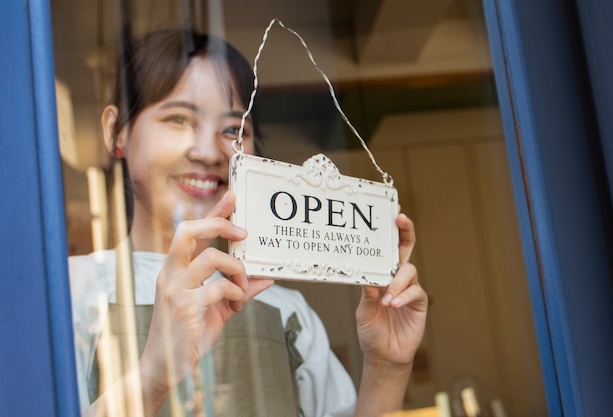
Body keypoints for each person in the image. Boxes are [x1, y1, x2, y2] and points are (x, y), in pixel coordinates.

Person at [68, 27, 428, 417]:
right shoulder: (68, 292)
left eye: (233, 130)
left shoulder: (287, 311)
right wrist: (154, 374)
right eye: (178, 119)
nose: (208, 152)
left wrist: (388, 369)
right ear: (115, 132)